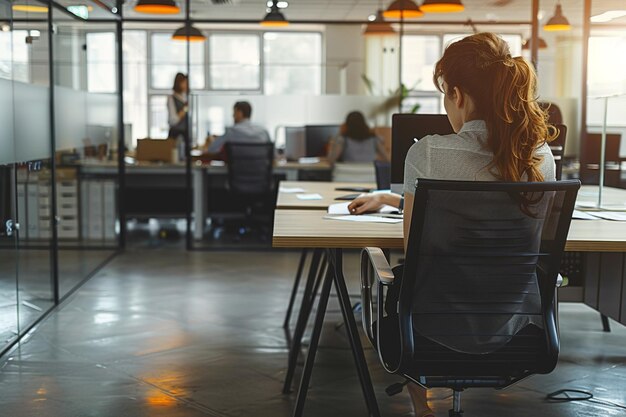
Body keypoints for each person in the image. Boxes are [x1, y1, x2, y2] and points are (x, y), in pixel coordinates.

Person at [348, 32, 556, 417]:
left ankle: (422, 409)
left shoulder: (427, 152)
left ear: (457, 95)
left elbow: (415, 249)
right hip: (519, 331)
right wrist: (392, 198)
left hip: (428, 336)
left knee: (403, 278)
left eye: (444, 94)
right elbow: (489, 202)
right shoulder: (540, 157)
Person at [205, 101, 271, 154]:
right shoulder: (263, 131)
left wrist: (213, 141)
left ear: (239, 113)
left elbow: (212, 149)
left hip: (237, 170)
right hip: (260, 169)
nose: (232, 115)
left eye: (234, 112)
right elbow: (273, 154)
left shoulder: (231, 132)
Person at [167, 73, 189, 141]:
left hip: (186, 133)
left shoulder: (186, 97)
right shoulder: (172, 98)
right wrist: (185, 110)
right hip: (175, 134)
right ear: (178, 83)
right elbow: (173, 120)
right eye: (184, 83)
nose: (186, 85)